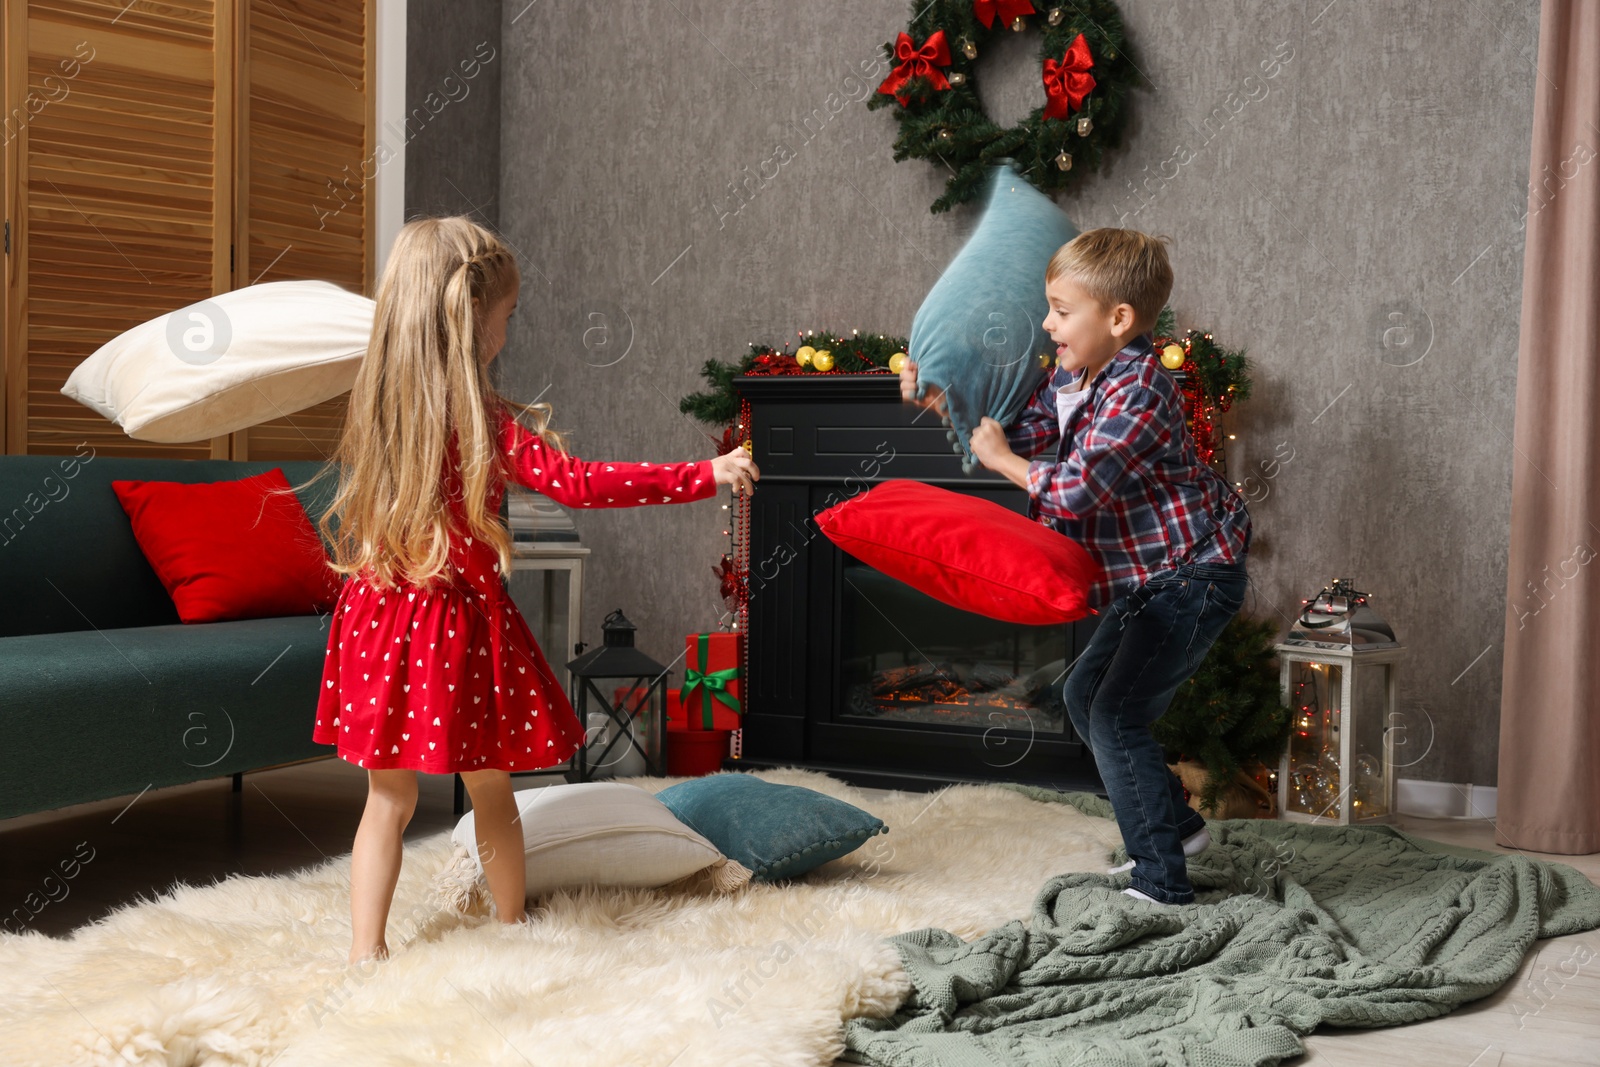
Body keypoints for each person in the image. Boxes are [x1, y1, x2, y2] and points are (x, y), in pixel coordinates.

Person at [303, 215, 759, 962]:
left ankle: (365, 951)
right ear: (471, 319)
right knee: (491, 792)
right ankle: (510, 931)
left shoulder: (378, 406)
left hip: (377, 619)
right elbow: (581, 483)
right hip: (456, 630)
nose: (509, 333)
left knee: (386, 798)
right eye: (507, 317)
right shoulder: (483, 421)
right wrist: (702, 474)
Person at [900, 228, 1251, 905]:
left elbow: (1072, 488)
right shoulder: (1073, 377)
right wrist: (946, 401)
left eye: (1062, 310)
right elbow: (1023, 436)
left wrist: (1003, 462)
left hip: (1193, 574)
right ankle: (1175, 829)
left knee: (1117, 712)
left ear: (1119, 319)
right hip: (1145, 579)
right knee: (1081, 695)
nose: (1047, 322)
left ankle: (1160, 882)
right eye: (1048, 306)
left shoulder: (1141, 389)